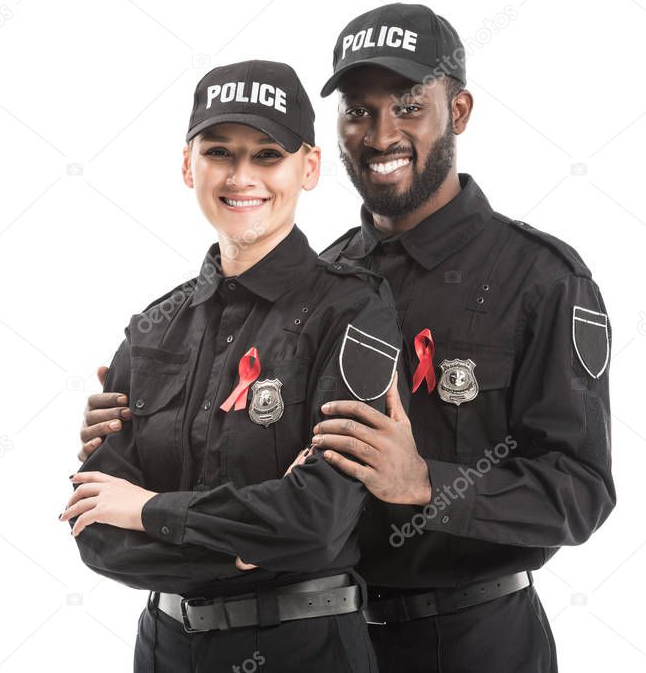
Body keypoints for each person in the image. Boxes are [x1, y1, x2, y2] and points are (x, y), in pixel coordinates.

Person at [78, 5, 615, 673]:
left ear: (460, 111)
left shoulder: (537, 278)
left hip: (472, 639)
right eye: (358, 111)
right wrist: (151, 431)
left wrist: (425, 483)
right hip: (315, 634)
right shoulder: (315, 282)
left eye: (408, 106)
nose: (380, 132)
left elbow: (581, 492)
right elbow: (257, 475)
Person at [60, 59, 404, 672]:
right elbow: (94, 528)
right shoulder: (152, 328)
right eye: (221, 151)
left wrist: (146, 509)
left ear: (310, 167)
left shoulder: (353, 307)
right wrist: (241, 548)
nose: (242, 176)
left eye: (268, 154)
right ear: (189, 165)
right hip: (165, 649)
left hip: (303, 648)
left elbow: (318, 522)